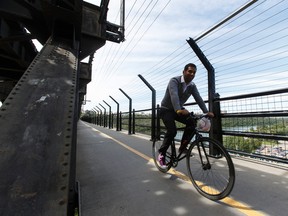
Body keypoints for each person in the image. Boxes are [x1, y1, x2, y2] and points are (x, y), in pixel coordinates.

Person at [158, 63, 214, 166]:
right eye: (190, 71)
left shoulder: (192, 86)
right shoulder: (174, 80)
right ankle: (162, 153)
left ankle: (183, 147)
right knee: (172, 131)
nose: (192, 74)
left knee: (192, 123)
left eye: (194, 72)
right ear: (184, 72)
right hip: (166, 109)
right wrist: (179, 109)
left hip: (178, 109)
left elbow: (198, 98)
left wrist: (206, 112)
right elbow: (173, 95)